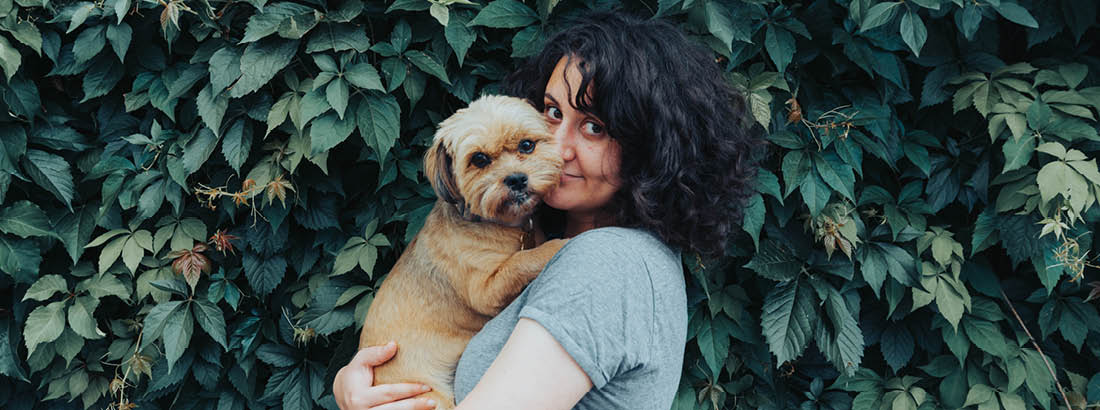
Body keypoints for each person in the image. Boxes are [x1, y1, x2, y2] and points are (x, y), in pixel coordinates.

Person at [332, 11, 758, 410]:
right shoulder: (553, 239)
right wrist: (352, 391)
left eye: (595, 127)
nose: (558, 146)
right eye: (553, 113)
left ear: (651, 149)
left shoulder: (607, 264)